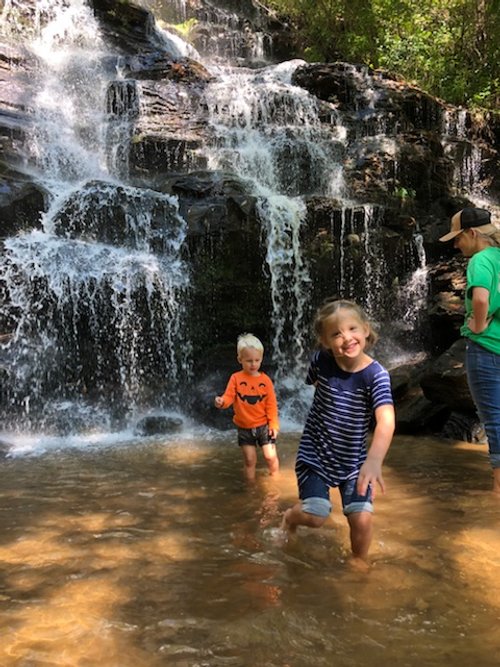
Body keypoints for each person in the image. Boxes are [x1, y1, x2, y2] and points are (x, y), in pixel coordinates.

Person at [281, 299, 395, 562]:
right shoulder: (321, 360)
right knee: (316, 515)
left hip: (355, 461)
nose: (347, 338)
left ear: (366, 329)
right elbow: (314, 383)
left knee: (362, 519)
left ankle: (359, 565)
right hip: (315, 454)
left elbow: (386, 420)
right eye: (336, 333)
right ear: (324, 340)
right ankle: (289, 518)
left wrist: (374, 461)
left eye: (353, 328)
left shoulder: (376, 375)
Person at [439, 207, 500, 493]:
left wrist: (477, 324)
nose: (455, 244)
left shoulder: (481, 259)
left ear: (472, 233)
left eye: (457, 237)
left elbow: (480, 298)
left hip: (487, 350)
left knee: (495, 424)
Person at [215, 333, 280, 481]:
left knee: (270, 456)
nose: (253, 364)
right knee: (250, 460)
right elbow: (228, 397)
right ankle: (250, 488)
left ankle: (276, 478)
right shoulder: (236, 378)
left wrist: (274, 425)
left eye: (257, 360)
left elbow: (271, 405)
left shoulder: (266, 381)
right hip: (244, 428)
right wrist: (221, 402)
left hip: (264, 426)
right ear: (240, 359)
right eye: (249, 360)